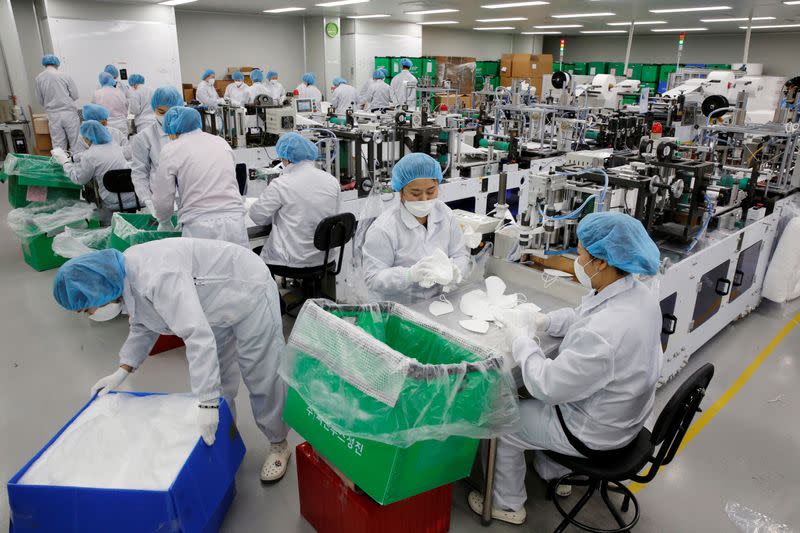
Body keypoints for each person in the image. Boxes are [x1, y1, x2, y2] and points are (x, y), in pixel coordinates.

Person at [467, 211, 663, 525]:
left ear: (601, 262)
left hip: (595, 433)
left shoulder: (604, 334)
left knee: (500, 419)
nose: (576, 258)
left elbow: (546, 386)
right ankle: (554, 471)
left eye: (581, 253)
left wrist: (521, 339)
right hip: (624, 416)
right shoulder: (636, 293)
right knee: (539, 402)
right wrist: (543, 321)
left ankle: (506, 504)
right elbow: (585, 313)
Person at [52, 240, 293, 483]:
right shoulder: (124, 279)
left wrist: (207, 403)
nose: (89, 315)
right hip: (212, 301)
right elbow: (143, 323)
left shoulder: (155, 275)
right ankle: (225, 439)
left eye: (86, 309)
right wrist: (122, 370)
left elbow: (197, 336)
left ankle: (278, 443)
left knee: (261, 371)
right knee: (217, 375)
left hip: (247, 288)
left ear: (98, 289)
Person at [362, 153, 469, 304]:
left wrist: (455, 270)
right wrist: (409, 275)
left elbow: (460, 254)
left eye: (431, 191)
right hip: (398, 308)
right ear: (401, 192)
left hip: (438, 302)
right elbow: (372, 278)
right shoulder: (384, 228)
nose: (424, 199)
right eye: (415, 193)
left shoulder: (445, 214)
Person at [152, 106, 248, 247]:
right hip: (234, 222)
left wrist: (164, 220)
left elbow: (163, 197)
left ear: (173, 129)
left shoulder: (171, 149)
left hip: (200, 226)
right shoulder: (221, 142)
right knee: (237, 268)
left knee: (203, 268)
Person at [249, 132, 339, 267]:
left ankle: (272, 288)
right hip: (326, 258)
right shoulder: (332, 181)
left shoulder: (281, 184)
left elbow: (257, 216)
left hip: (292, 260)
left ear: (286, 158)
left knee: (254, 254)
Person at [54, 120, 136, 215]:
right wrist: (74, 157)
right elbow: (98, 153)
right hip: (132, 196)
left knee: (90, 185)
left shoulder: (90, 156)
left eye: (84, 136)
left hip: (113, 199)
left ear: (88, 138)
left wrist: (65, 163)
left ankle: (99, 216)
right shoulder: (114, 146)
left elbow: (79, 179)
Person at [130, 85, 183, 208]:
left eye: (171, 112)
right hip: (162, 200)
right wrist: (147, 199)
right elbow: (139, 173)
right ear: (154, 109)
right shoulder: (144, 137)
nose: (166, 117)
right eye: (161, 112)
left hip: (191, 199)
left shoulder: (188, 131)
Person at [34, 54, 80, 152]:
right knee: (75, 143)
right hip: (69, 113)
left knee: (58, 146)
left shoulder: (39, 78)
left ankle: (62, 166)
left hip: (53, 115)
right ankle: (78, 166)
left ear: (44, 64)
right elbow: (75, 96)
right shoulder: (64, 75)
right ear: (57, 63)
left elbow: (40, 100)